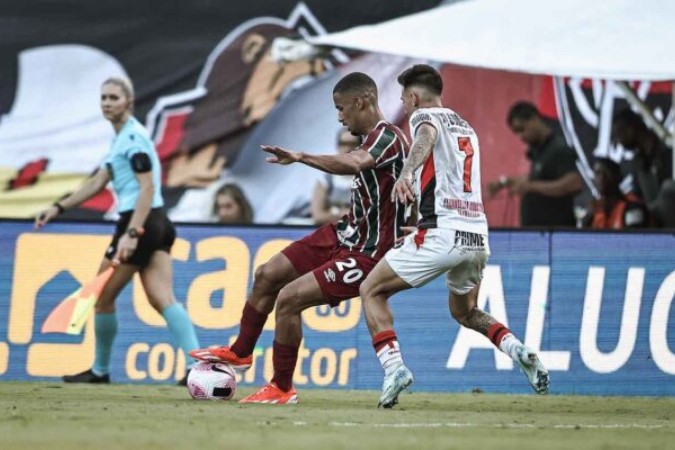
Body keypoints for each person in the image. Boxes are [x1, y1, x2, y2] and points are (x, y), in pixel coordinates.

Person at [189, 72, 410, 404]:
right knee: (267, 273)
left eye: (341, 108)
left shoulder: (388, 136)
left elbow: (355, 163)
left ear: (361, 102)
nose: (339, 116)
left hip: (369, 252)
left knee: (290, 299)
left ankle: (281, 387)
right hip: (342, 234)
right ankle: (240, 352)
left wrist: (302, 157)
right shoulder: (370, 139)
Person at [358, 65, 550, 409]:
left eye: (404, 99)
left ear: (414, 97)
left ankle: (394, 369)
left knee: (371, 290)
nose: (405, 105)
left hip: (443, 233)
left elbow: (426, 136)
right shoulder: (467, 127)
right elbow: (445, 178)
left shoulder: (423, 117)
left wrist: (405, 172)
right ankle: (516, 349)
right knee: (466, 312)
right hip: (476, 235)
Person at [35, 77, 200, 386]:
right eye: (103, 98)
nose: (107, 102)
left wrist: (133, 232)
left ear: (129, 102)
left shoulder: (134, 138)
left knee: (102, 297)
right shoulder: (123, 138)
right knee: (163, 298)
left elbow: (147, 187)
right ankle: (196, 366)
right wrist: (58, 208)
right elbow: (98, 182)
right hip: (158, 222)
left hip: (141, 222)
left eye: (113, 97)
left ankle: (99, 370)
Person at [487, 101, 583, 227]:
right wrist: (504, 182)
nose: (520, 136)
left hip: (554, 234)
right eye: (516, 133)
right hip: (537, 233)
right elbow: (538, 178)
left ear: (534, 119)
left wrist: (531, 187)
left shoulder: (558, 149)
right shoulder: (539, 150)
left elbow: (574, 183)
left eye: (522, 129)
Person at [611, 108, 673, 208]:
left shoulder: (668, 148)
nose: (618, 142)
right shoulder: (637, 163)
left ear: (631, 129)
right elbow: (638, 198)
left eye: (619, 134)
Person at [311, 128, 361, 225]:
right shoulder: (325, 180)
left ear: (360, 147)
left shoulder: (369, 178)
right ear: (337, 146)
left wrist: (333, 213)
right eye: (343, 144)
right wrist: (344, 213)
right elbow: (318, 217)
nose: (347, 149)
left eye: (352, 144)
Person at [583, 158, 649, 229]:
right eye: (598, 173)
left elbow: (634, 237)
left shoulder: (633, 205)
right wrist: (588, 217)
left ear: (617, 176)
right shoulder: (594, 212)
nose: (602, 178)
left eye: (606, 173)